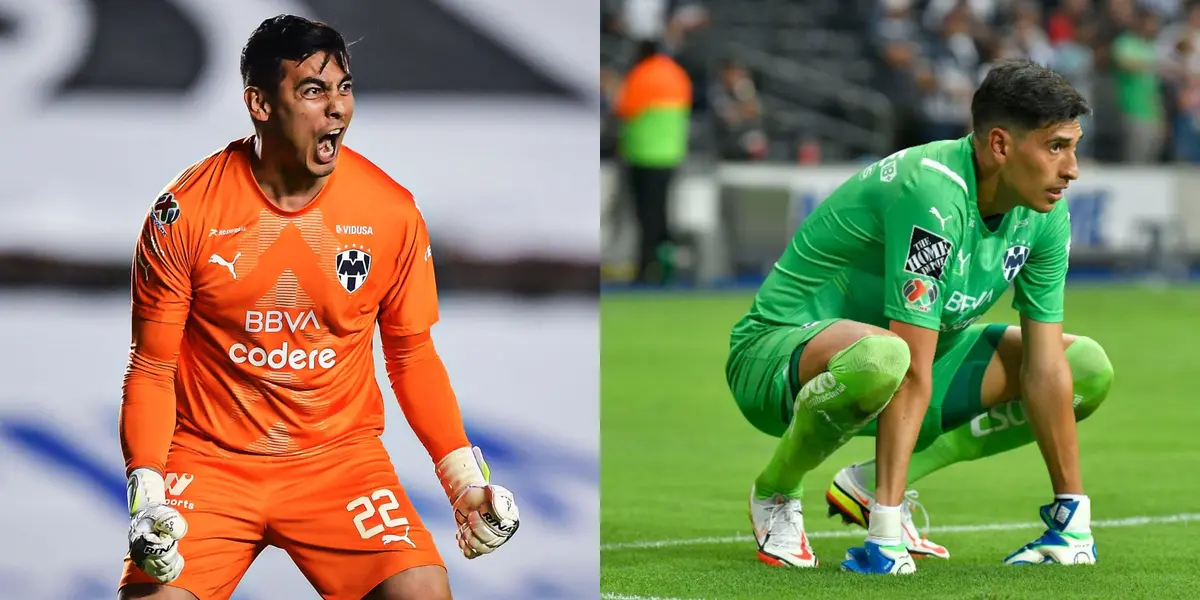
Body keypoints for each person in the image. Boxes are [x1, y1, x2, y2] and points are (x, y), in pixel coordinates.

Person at [118, 15, 520, 600]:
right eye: (312, 90)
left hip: (338, 462)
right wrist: (148, 493)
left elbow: (411, 353)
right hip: (210, 462)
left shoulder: (390, 212)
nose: (337, 109)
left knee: (422, 593)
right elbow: (151, 367)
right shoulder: (186, 213)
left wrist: (462, 480)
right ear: (258, 102)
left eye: (344, 88)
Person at [724, 59, 1112, 574]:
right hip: (777, 361)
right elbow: (907, 367)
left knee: (1083, 367)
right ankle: (776, 491)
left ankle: (865, 486)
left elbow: (1042, 367)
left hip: (903, 367)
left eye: (1074, 146)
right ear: (1000, 145)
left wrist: (1074, 519)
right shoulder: (931, 193)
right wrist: (885, 537)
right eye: (1056, 147)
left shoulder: (1044, 213)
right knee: (886, 356)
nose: (1072, 168)